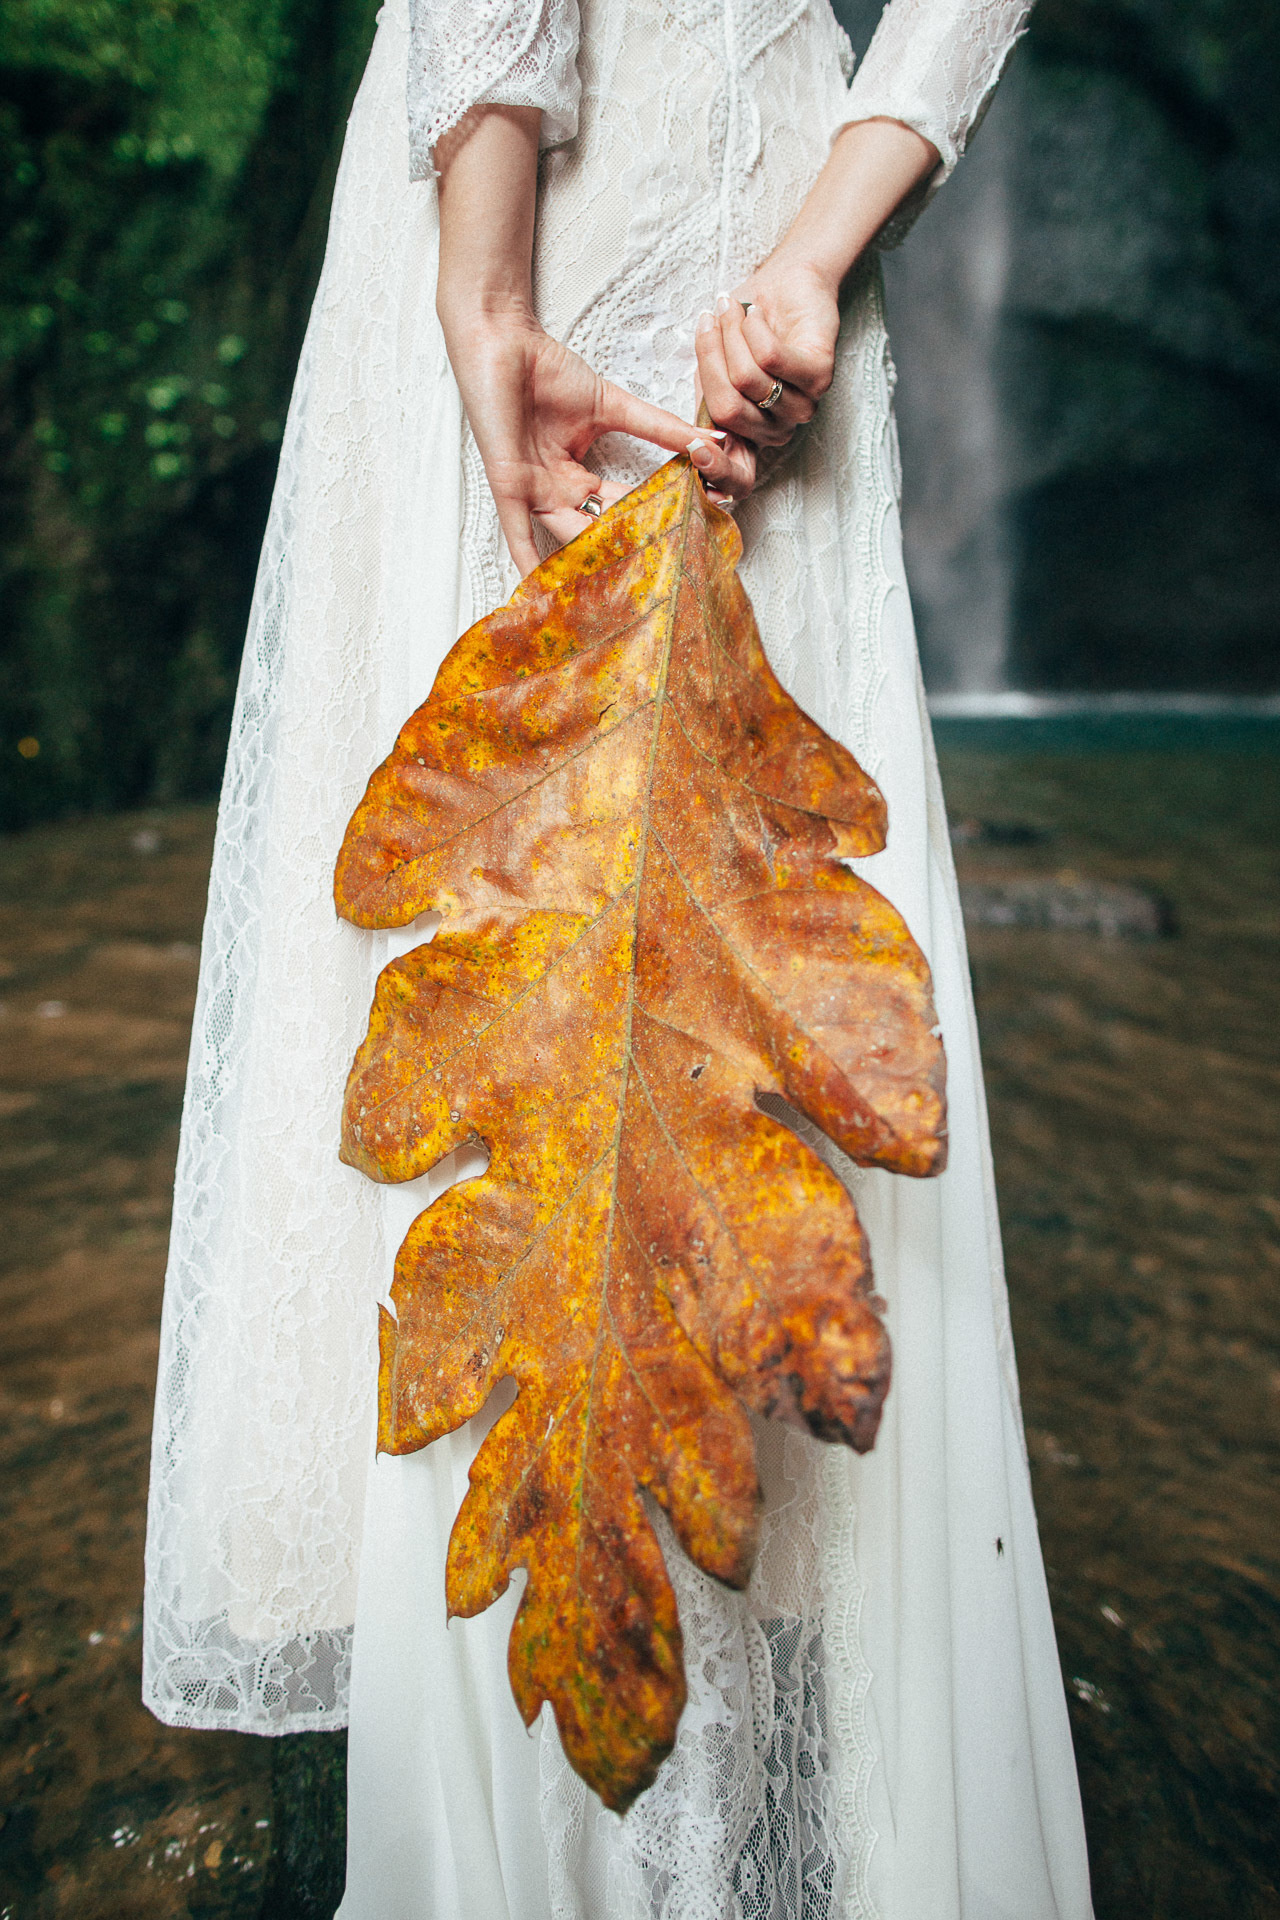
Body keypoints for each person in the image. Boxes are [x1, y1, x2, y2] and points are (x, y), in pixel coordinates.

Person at [143, 0, 1095, 1911]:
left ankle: (558, 1827)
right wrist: (827, 236)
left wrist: (482, 295)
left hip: (541, 215)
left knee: (523, 989)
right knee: (724, 1006)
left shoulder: (496, 263)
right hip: (762, 209)